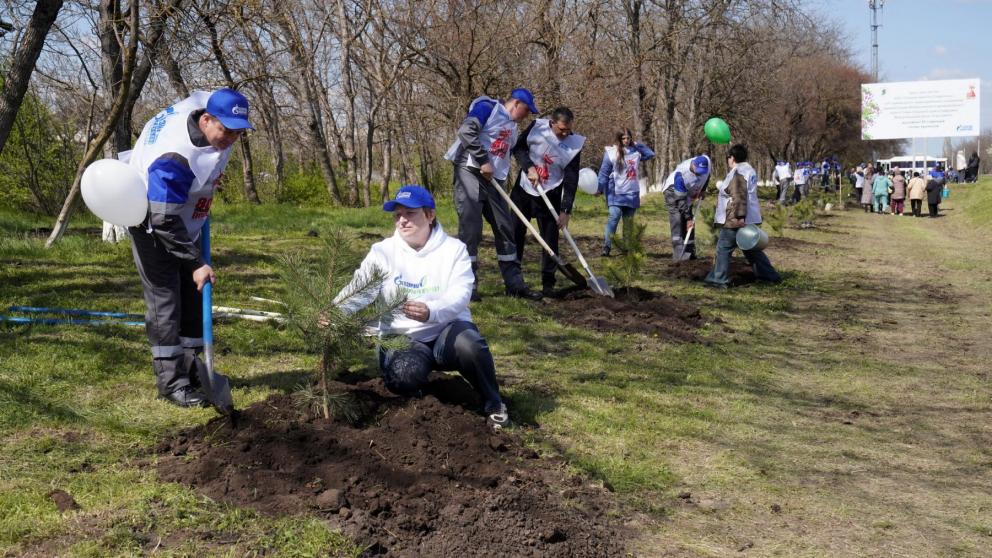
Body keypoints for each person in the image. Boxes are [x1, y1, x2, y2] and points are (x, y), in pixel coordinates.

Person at [335, 185, 510, 430]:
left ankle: (494, 403)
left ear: (430, 215)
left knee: (470, 346)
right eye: (397, 215)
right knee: (403, 375)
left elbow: (461, 294)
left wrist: (432, 311)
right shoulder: (383, 252)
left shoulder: (454, 250)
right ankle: (427, 399)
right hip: (403, 337)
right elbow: (361, 288)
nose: (402, 221)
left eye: (410, 213)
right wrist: (335, 311)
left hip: (446, 331)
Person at [125, 88, 252, 407]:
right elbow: (163, 220)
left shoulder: (205, 108)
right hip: (151, 221)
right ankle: (171, 382)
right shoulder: (174, 158)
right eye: (225, 131)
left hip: (182, 212)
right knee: (165, 296)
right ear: (206, 120)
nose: (231, 139)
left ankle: (194, 367)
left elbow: (208, 99)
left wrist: (207, 181)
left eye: (238, 133)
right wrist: (195, 262)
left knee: (195, 292)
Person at [443, 88, 543, 301]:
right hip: (470, 171)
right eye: (526, 110)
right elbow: (466, 132)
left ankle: (514, 284)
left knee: (505, 227)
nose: (526, 116)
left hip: (494, 180)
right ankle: (466, 286)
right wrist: (483, 160)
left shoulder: (512, 127)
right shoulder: (487, 108)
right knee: (471, 230)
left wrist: (529, 168)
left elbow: (514, 151)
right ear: (515, 103)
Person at [509, 107, 584, 295]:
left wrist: (566, 210)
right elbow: (518, 148)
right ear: (552, 123)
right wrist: (529, 167)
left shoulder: (574, 144)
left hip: (551, 191)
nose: (565, 133)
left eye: (568, 130)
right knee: (515, 233)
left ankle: (548, 284)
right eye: (561, 130)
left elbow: (571, 177)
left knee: (550, 240)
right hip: (525, 188)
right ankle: (514, 282)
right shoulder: (537, 127)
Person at [704, 144, 781, 288]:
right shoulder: (748, 170)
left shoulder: (738, 172)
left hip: (736, 218)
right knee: (751, 249)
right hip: (748, 216)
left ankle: (719, 280)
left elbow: (739, 195)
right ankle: (769, 276)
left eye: (728, 157)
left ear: (732, 158)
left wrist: (739, 217)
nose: (727, 160)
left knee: (724, 248)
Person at [596, 128, 655, 256]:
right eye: (623, 138)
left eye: (628, 138)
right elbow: (604, 173)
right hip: (615, 191)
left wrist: (637, 144)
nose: (626, 140)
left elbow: (650, 154)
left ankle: (626, 248)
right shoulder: (611, 153)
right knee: (614, 217)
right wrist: (599, 188)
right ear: (619, 139)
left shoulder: (636, 151)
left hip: (632, 192)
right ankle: (607, 246)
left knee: (628, 222)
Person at [661, 155, 711, 261]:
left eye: (702, 172)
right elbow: (681, 203)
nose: (700, 173)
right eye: (698, 171)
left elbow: (707, 175)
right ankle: (680, 258)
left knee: (690, 223)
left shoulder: (707, 163)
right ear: (693, 164)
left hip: (688, 193)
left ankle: (689, 253)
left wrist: (703, 189)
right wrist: (688, 219)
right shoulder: (681, 175)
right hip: (673, 192)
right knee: (678, 220)